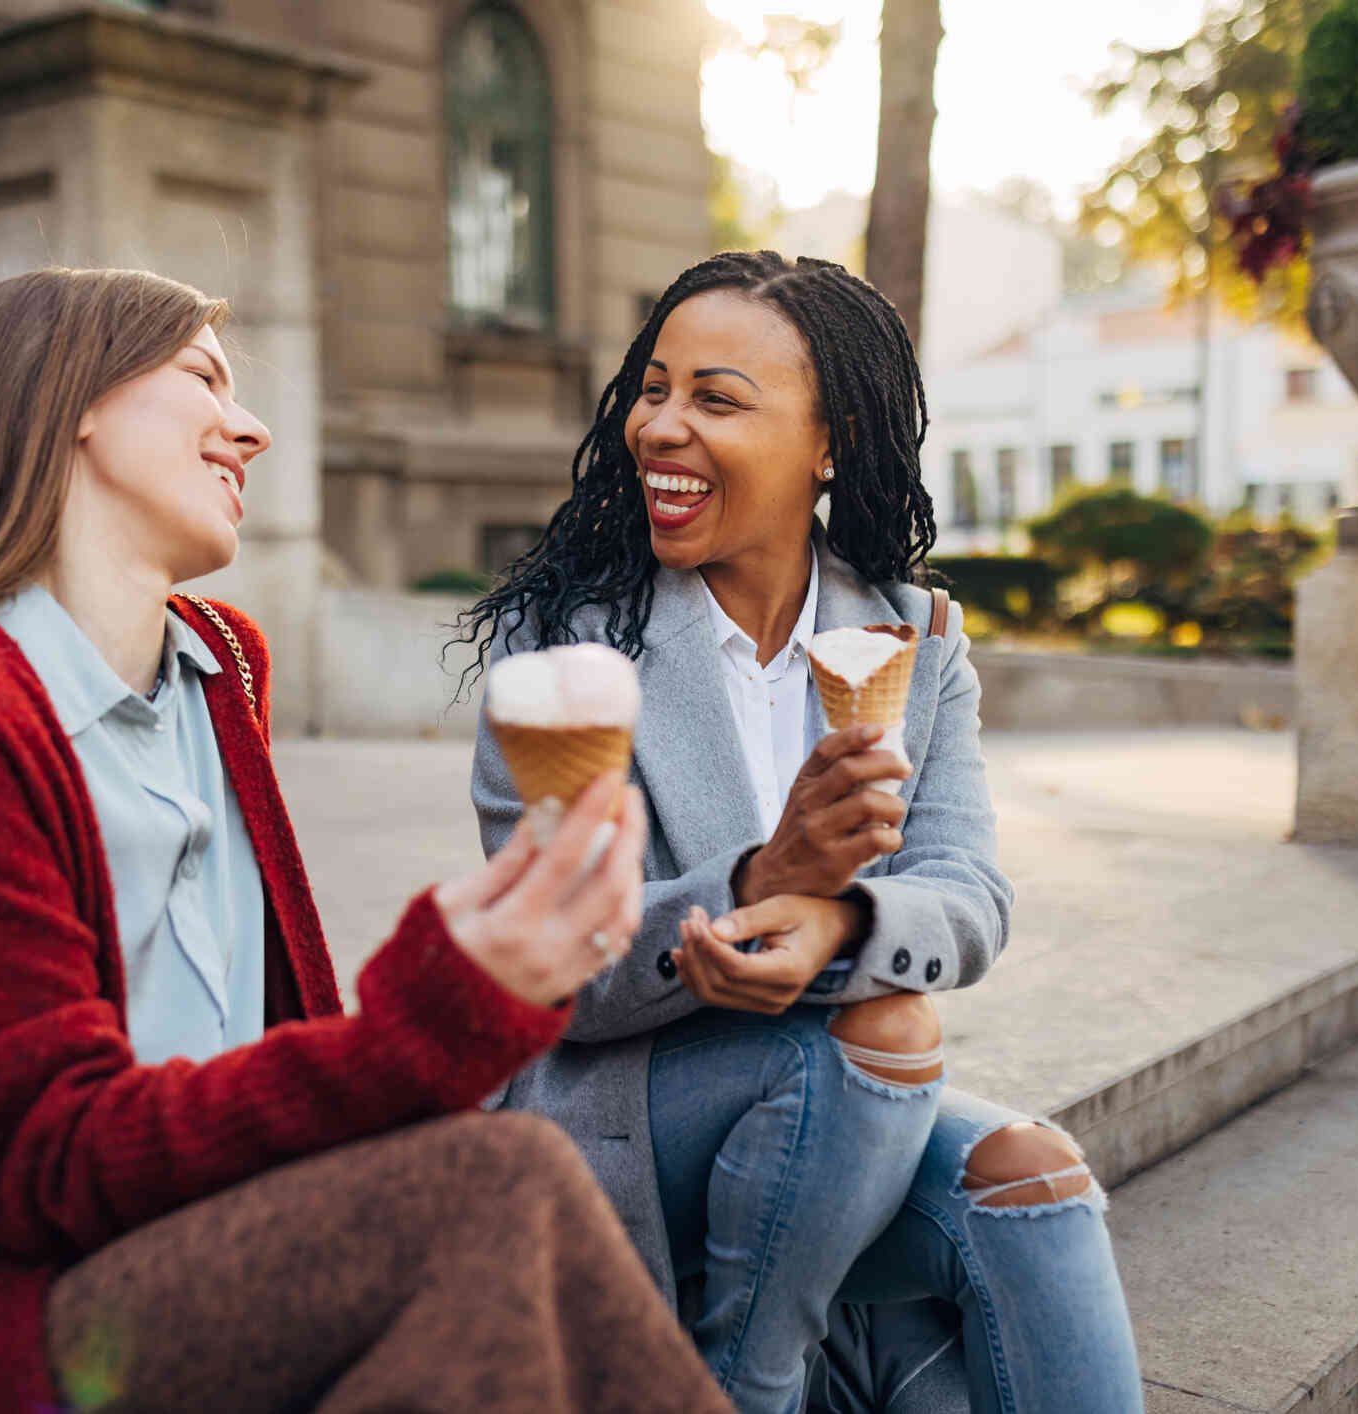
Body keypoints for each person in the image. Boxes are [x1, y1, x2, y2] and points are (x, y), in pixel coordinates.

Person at [0, 267, 736, 1414]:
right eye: (204, 376)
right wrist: (437, 1007)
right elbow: (47, 1160)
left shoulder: (220, 666)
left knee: (519, 1178)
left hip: (182, 1243)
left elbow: (249, 1054)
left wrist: (504, 979)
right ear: (72, 404)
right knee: (484, 1186)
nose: (249, 427)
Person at [463, 250, 1143, 1414]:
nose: (660, 428)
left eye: (716, 400)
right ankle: (751, 1384)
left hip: (846, 1116)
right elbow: (563, 978)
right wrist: (752, 882)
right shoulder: (563, 650)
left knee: (1034, 1180)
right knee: (881, 1026)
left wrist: (839, 912)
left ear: (828, 445)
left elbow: (968, 895)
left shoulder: (912, 635)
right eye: (654, 388)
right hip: (619, 1120)